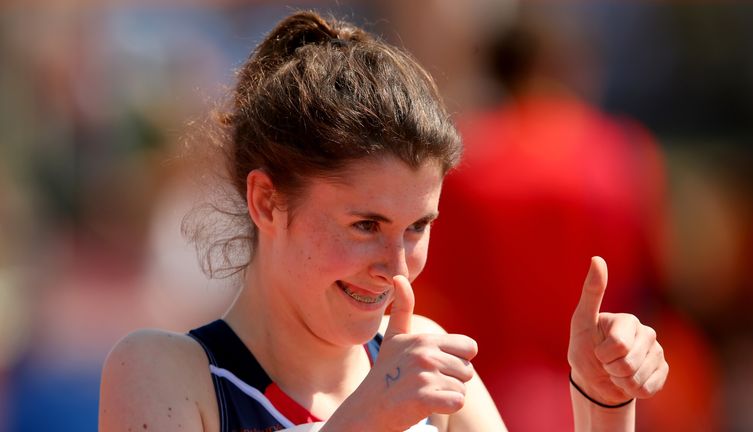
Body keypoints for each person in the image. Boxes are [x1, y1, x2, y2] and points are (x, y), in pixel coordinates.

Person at [98, 11, 668, 432]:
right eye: (366, 225)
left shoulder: (423, 360)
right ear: (267, 202)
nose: (397, 268)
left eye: (417, 227)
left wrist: (603, 404)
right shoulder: (163, 370)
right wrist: (369, 417)